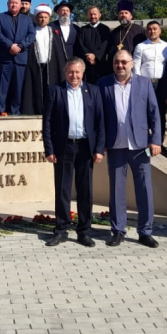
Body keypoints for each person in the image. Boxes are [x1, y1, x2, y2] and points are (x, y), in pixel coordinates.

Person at [98, 50, 162, 248]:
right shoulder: (103, 83)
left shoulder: (144, 83)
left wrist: (156, 140)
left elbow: (154, 113)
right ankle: (118, 230)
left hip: (140, 145)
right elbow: (99, 117)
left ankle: (145, 232)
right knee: (116, 190)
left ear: (132, 63)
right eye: (117, 62)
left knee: (144, 190)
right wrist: (100, 145)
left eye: (124, 62)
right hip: (115, 145)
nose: (120, 65)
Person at [42, 58, 106, 248]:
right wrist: (49, 148)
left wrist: (99, 149)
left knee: (85, 190)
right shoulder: (55, 91)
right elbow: (47, 123)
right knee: (62, 189)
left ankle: (84, 231)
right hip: (63, 147)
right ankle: (61, 230)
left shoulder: (93, 91)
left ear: (83, 72)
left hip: (86, 147)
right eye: (71, 72)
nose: (74, 76)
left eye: (77, 72)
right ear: (65, 72)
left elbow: (100, 123)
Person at [0, 0, 36, 115]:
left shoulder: (27, 20)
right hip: (5, 58)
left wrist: (20, 46)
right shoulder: (0, 17)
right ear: (7, 4)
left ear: (20, 4)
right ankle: (0, 112)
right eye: (11, 3)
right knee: (2, 89)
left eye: (16, 3)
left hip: (20, 59)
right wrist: (10, 45)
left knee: (18, 89)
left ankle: (15, 113)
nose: (14, 5)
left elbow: (31, 35)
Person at [21, 4, 66, 115]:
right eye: (40, 17)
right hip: (35, 66)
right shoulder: (31, 31)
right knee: (35, 90)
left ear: (49, 18)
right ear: (36, 18)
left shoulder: (54, 32)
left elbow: (59, 52)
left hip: (51, 66)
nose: (43, 19)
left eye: (45, 17)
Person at [105, 0, 145, 70]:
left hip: (133, 66)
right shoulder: (114, 32)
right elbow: (110, 52)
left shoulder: (139, 30)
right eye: (121, 13)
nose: (123, 15)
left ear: (131, 16)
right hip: (118, 67)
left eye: (126, 13)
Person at [75, 5, 110, 84]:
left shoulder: (105, 29)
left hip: (101, 64)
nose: (93, 16)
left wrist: (95, 56)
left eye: (95, 14)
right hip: (86, 64)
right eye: (90, 14)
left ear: (99, 15)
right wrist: (88, 56)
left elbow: (105, 45)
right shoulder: (83, 30)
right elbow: (80, 44)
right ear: (87, 15)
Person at [132, 20, 167, 84]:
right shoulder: (140, 46)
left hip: (163, 83)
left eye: (155, 29)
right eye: (150, 29)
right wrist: (138, 80)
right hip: (145, 82)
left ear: (160, 31)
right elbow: (136, 65)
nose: (152, 31)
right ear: (146, 32)